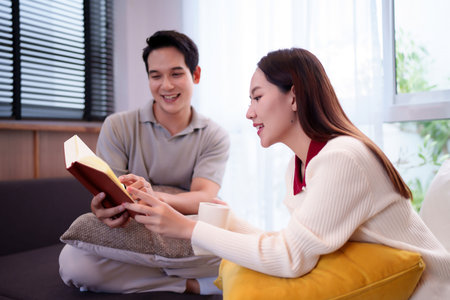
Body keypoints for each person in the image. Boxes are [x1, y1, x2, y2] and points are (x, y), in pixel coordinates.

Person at [123, 48, 450, 298]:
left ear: (294, 95)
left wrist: (184, 228)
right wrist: (228, 219)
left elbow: (289, 258)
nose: (249, 112)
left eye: (257, 97)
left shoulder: (342, 158)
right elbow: (293, 245)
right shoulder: (302, 163)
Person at [59, 30, 230, 295]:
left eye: (176, 74)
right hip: (134, 232)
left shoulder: (213, 134)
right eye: (156, 76)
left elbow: (204, 196)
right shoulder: (118, 126)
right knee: (72, 263)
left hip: (183, 232)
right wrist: (102, 207)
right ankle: (189, 285)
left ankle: (154, 273)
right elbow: (112, 191)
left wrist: (153, 195)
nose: (166, 86)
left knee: (236, 251)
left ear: (195, 75)